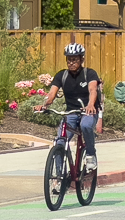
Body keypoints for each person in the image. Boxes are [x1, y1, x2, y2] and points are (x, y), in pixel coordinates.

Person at [40, 42, 101, 171]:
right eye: (69, 59)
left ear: (81, 59)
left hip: (88, 111)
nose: (71, 62)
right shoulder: (62, 75)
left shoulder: (89, 73)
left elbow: (93, 90)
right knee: (60, 142)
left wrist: (90, 105)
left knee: (85, 125)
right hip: (71, 113)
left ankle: (90, 155)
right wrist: (45, 104)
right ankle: (58, 177)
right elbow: (52, 93)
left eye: (74, 59)